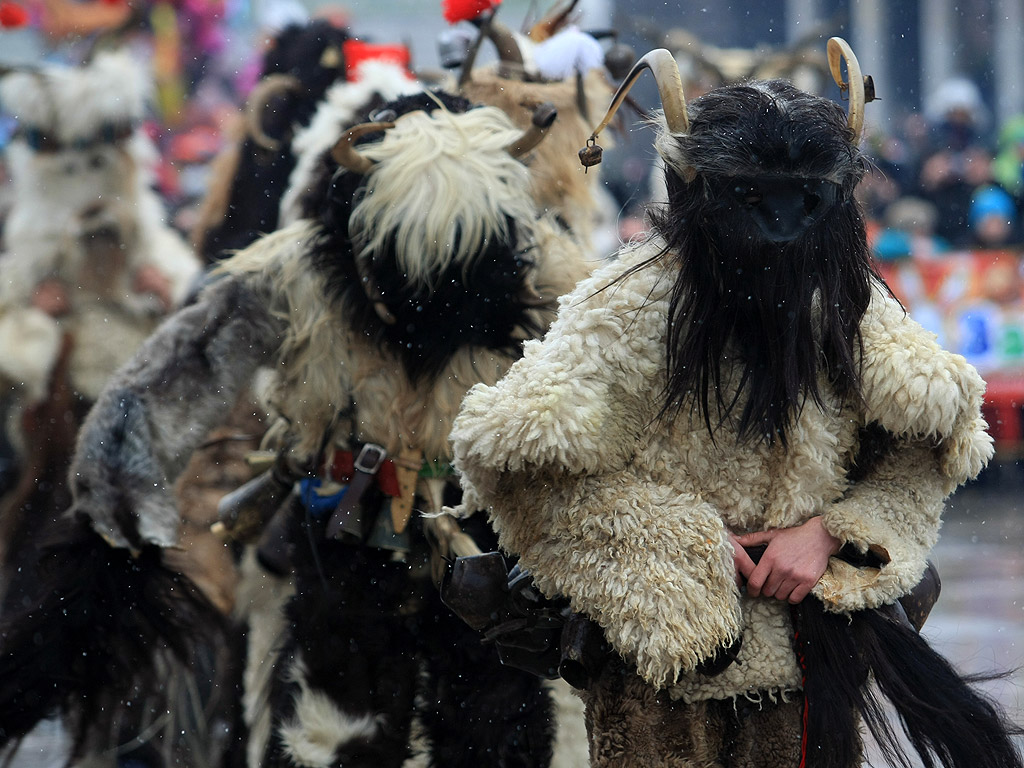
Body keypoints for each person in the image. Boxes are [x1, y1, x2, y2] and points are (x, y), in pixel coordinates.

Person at [448, 43, 1021, 768]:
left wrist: (832, 534)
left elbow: (934, 444)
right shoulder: (629, 305)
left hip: (811, 671)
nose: (782, 229)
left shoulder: (853, 307)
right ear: (701, 191)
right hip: (656, 669)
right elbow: (510, 457)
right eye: (754, 201)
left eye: (803, 203)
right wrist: (682, 545)